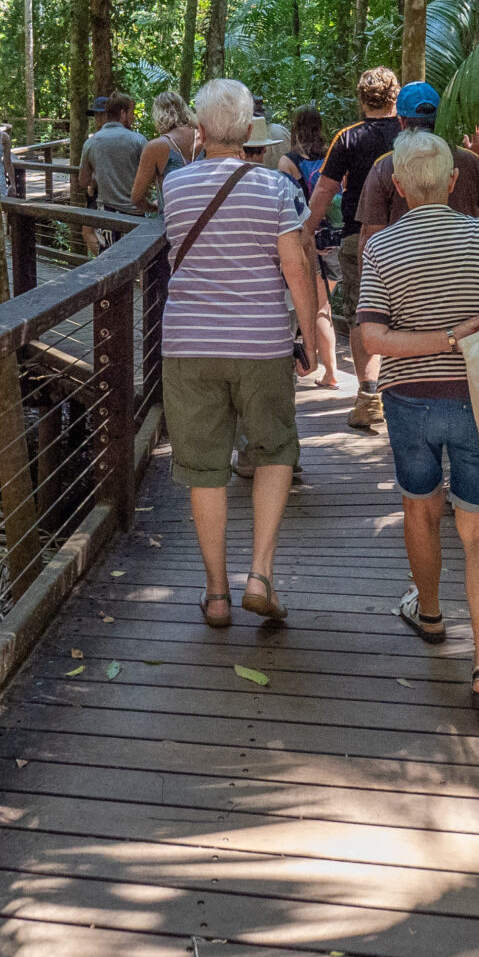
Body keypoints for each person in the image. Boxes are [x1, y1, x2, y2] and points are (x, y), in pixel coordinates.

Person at [352, 129, 479, 714]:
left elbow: (371, 336)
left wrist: (434, 340)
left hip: (410, 401)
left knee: (419, 507)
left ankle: (429, 612)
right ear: (456, 181)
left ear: (400, 185)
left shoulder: (380, 248)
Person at [158, 79, 328, 629]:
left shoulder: (176, 188)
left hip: (188, 346)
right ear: (250, 131)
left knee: (204, 468)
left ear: (201, 132)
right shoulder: (274, 190)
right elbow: (295, 268)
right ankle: (259, 573)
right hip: (261, 343)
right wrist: (308, 338)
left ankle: (215, 594)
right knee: (275, 450)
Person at [301, 66, 402, 431]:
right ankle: (407, 391)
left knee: (366, 313)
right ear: (397, 95)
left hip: (361, 238)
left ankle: (369, 396)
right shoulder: (412, 135)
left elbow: (324, 192)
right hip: (411, 237)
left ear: (361, 100)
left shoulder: (347, 138)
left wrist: (305, 233)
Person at [355, 81, 479, 233]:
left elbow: (371, 233)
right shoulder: (468, 160)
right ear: (440, 118)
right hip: (463, 256)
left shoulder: (385, 167)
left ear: (401, 122)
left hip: (405, 258)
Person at [288, 106, 342, 390]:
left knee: (319, 308)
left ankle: (330, 371)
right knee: (324, 307)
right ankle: (327, 370)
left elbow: (290, 206)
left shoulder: (290, 162)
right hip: (335, 240)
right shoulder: (333, 156)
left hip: (310, 242)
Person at [75, 92, 147, 252]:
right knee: (134, 259)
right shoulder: (139, 140)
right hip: (135, 214)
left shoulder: (91, 143)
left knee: (108, 259)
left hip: (106, 214)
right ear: (122, 113)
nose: (133, 117)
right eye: (131, 113)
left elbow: (83, 181)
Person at [129, 90, 198, 212]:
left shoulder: (155, 147)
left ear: (158, 115)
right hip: (205, 220)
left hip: (171, 222)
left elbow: (136, 198)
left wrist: (156, 208)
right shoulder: (204, 139)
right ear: (185, 110)